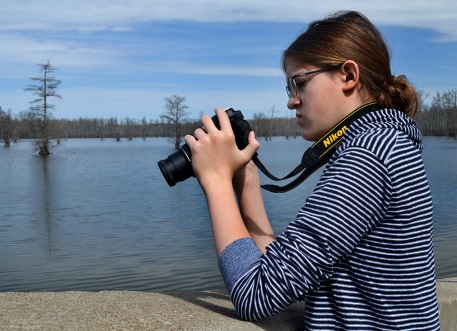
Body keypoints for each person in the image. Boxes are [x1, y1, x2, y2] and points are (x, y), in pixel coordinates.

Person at [184, 10, 440, 330]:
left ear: (348, 75)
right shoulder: (385, 145)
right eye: (288, 88)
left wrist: (216, 180)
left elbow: (255, 293)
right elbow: (280, 277)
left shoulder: (368, 157)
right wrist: (246, 180)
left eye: (299, 83)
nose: (292, 101)